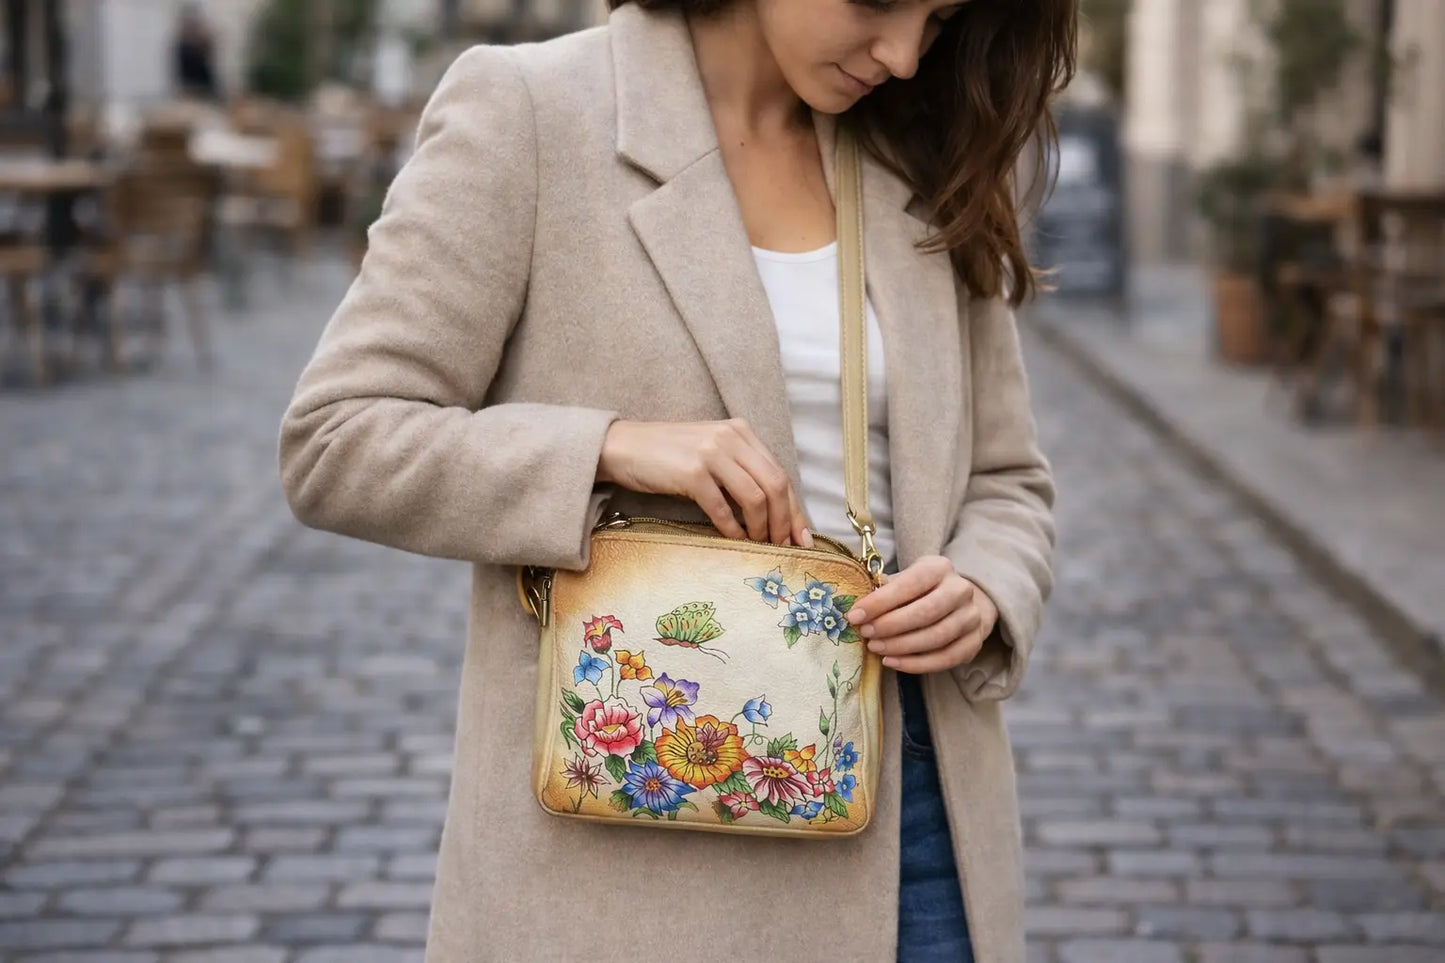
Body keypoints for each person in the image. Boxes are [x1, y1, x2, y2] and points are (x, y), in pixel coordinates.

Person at [279, 1, 1070, 959]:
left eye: (938, 20)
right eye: (876, 3)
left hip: (919, 829)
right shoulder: (534, 113)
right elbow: (336, 439)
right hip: (630, 864)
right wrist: (609, 446)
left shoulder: (918, 146)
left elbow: (1006, 477)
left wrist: (983, 584)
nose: (902, 55)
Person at [173, 4, 220, 101]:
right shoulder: (183, 43)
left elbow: (210, 51)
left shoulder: (202, 40)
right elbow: (181, 68)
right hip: (191, 87)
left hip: (205, 86)